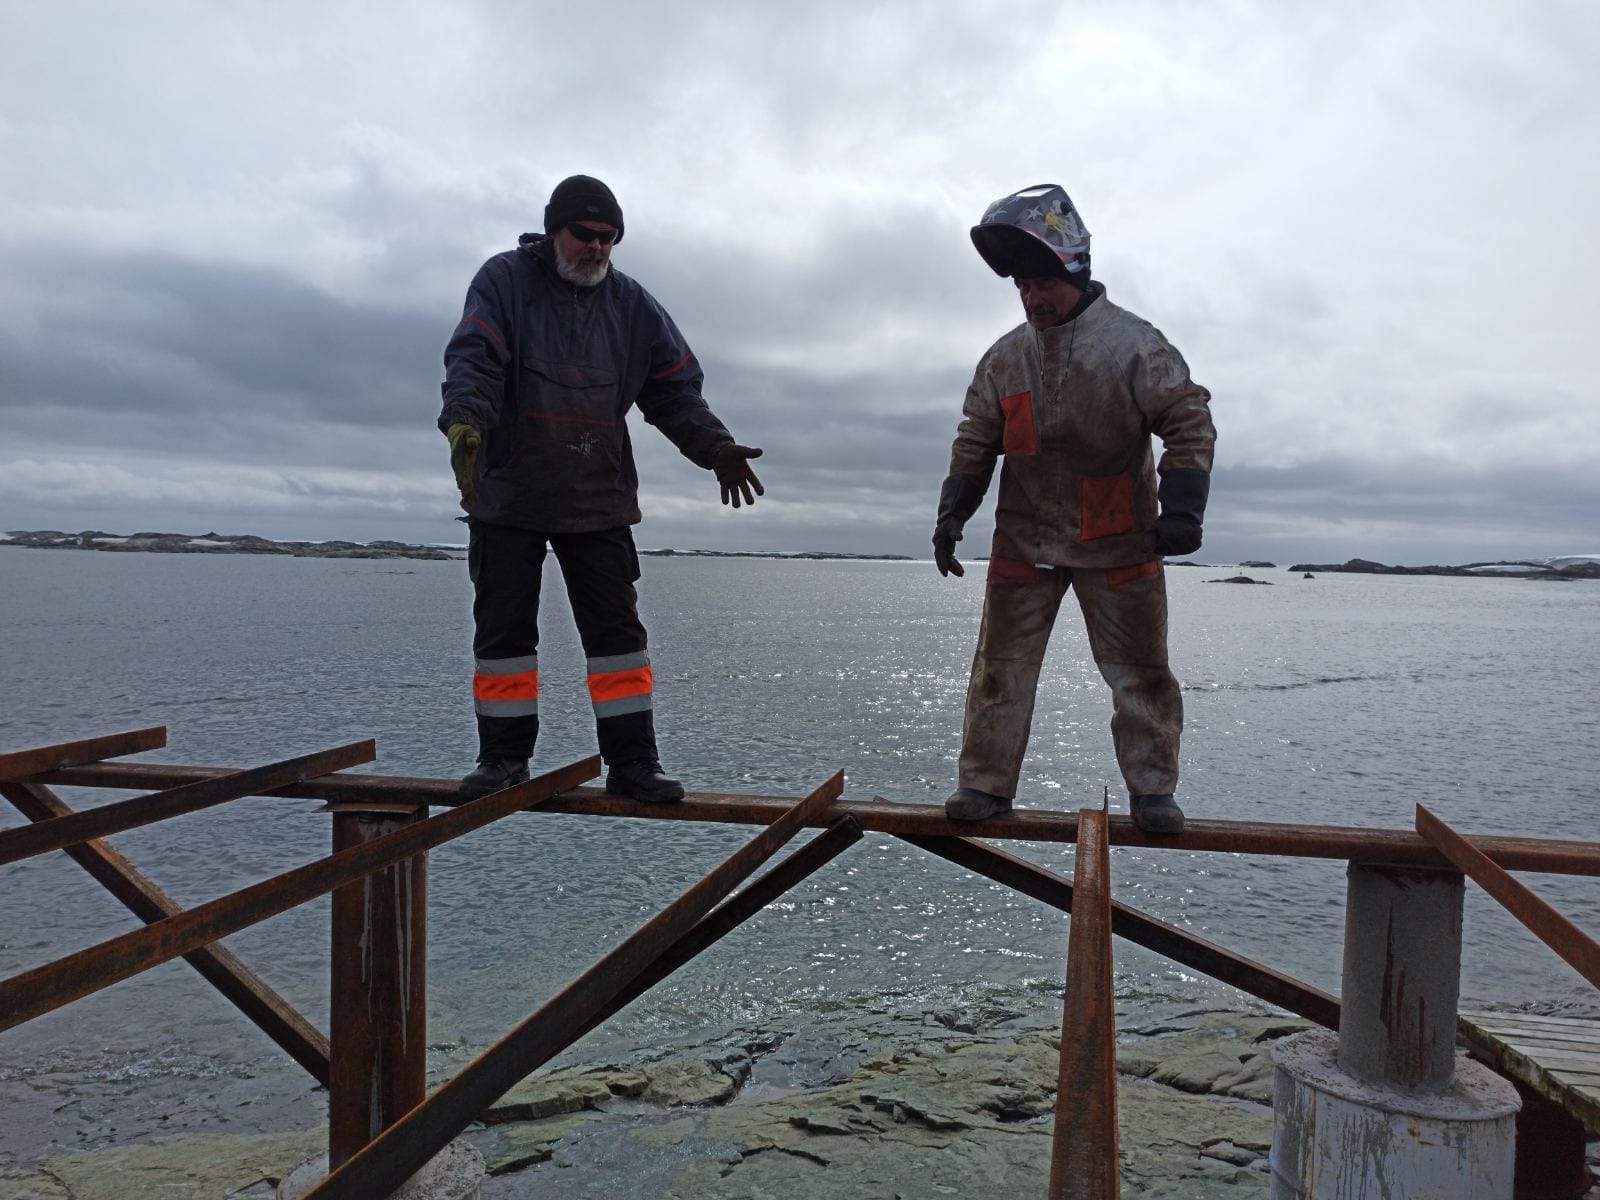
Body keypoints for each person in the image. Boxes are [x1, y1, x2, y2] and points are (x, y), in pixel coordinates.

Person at [439, 175, 764, 802]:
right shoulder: (503, 281)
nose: (596, 247)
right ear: (552, 230)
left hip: (598, 496)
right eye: (584, 234)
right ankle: (503, 760)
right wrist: (464, 421)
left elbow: (674, 392)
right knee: (504, 637)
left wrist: (715, 448)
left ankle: (634, 764)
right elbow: (474, 357)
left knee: (617, 641)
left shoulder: (633, 305)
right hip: (506, 492)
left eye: (608, 238)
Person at [934, 184, 1215, 834]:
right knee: (999, 669)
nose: (1033, 298)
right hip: (1023, 539)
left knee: (1141, 673)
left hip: (1120, 539)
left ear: (1076, 273)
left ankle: (1153, 792)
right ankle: (984, 785)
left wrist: (1183, 510)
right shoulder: (1005, 359)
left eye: (1044, 285)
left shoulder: (1135, 346)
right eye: (1023, 287)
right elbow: (975, 439)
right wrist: (951, 516)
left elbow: (1188, 420)